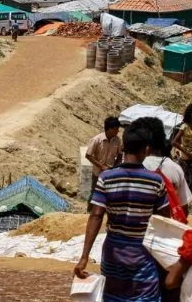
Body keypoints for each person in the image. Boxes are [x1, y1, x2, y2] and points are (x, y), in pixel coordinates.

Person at [75, 123, 170, 302]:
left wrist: (84, 257)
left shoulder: (106, 178)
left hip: (114, 253)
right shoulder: (156, 182)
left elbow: (96, 215)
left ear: (123, 147)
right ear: (146, 150)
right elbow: (165, 220)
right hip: (143, 253)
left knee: (113, 297)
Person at [138, 116, 192, 222]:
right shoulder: (176, 168)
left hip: (142, 226)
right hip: (167, 227)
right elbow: (184, 208)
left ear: (147, 146)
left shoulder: (138, 165)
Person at [85, 116, 123, 203]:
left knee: (107, 196)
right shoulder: (96, 140)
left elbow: (120, 155)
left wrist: (114, 167)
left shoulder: (117, 140)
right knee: (94, 194)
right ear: (110, 129)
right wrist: (101, 166)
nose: (118, 131)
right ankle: (89, 213)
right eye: (116, 129)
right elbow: (88, 155)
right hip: (97, 173)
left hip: (110, 174)